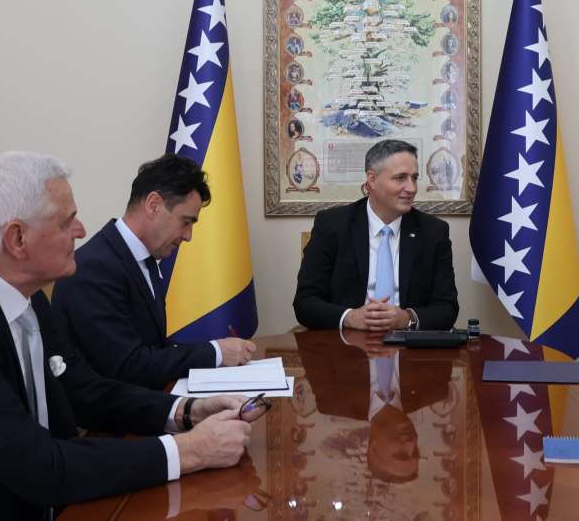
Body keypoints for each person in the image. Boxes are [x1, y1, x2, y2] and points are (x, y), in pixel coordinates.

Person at [0, 152, 251, 519]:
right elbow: (37, 467)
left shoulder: (28, 298)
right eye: (67, 222)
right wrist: (189, 451)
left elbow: (85, 393)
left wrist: (185, 411)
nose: (81, 231)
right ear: (17, 239)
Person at [51, 154, 255, 390]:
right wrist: (215, 353)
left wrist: (216, 352)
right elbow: (128, 365)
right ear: (153, 205)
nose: (188, 236)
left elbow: (152, 347)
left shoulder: (144, 260)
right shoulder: (93, 268)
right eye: (185, 222)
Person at [293, 139, 459, 331]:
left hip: (409, 344)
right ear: (372, 179)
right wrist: (350, 317)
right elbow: (305, 302)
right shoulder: (332, 225)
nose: (412, 188)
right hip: (346, 342)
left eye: (414, 178)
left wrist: (406, 318)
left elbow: (447, 308)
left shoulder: (434, 232)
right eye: (400, 178)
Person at [294, 330, 452, 483]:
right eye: (415, 451)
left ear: (373, 448)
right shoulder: (434, 388)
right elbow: (443, 328)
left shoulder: (332, 399)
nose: (411, 443)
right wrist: (406, 327)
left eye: (400, 454)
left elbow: (308, 339)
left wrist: (349, 329)